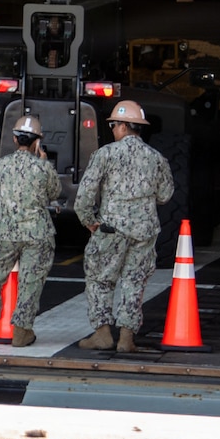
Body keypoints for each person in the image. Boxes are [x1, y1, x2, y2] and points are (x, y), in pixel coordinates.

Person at [74, 99, 175, 354]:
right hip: (144, 231)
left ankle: (102, 334)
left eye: (113, 125)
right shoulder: (157, 158)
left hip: (110, 230)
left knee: (99, 280)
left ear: (121, 126)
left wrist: (89, 221)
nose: (112, 130)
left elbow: (85, 195)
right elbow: (165, 195)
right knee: (134, 282)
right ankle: (126, 338)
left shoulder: (105, 154)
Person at [0, 112, 61, 348]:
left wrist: (2, 218)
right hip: (38, 234)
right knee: (31, 282)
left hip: (5, 233)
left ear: (14, 139)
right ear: (37, 140)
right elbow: (55, 193)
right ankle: (22, 331)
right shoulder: (43, 168)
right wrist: (43, 160)